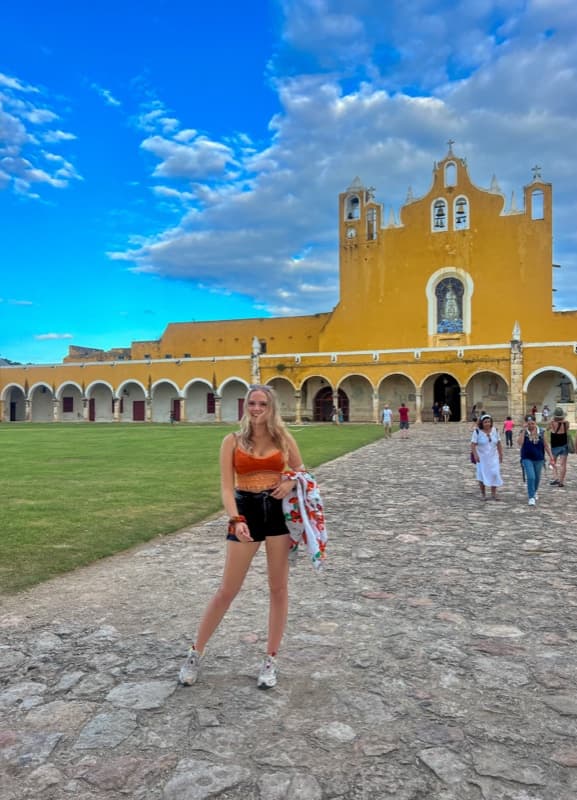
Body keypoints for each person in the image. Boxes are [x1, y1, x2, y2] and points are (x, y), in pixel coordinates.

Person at [178, 385, 305, 690]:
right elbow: (225, 487)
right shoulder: (232, 441)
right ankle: (196, 652)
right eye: (252, 403)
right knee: (227, 589)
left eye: (262, 403)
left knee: (278, 588)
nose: (256, 408)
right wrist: (235, 519)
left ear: (271, 407)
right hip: (245, 509)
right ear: (245, 406)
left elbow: (301, 471)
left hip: (277, 513)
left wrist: (290, 482)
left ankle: (270, 658)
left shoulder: (283, 439)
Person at [518, 414, 554, 505]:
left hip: (539, 458)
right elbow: (520, 443)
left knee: (537, 478)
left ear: (535, 422)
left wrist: (551, 456)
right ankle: (531, 497)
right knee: (531, 477)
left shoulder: (541, 431)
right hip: (526, 457)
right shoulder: (524, 432)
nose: (530, 425)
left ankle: (534, 491)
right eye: (529, 424)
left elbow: (545, 445)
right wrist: (523, 430)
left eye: (532, 423)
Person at [471, 413, 503, 500]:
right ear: (482, 423)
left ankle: (494, 493)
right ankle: (483, 494)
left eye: (489, 422)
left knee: (495, 474)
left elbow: (499, 443)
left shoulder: (495, 430)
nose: (487, 423)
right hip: (482, 458)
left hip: (493, 457)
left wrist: (500, 454)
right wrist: (475, 455)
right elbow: (473, 444)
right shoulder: (477, 432)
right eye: (485, 422)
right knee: (481, 475)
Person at [547, 406, 570, 488]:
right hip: (564, 444)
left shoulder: (552, 423)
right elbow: (567, 430)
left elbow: (547, 429)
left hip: (555, 445)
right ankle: (561, 481)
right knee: (563, 464)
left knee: (553, 462)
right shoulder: (566, 423)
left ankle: (556, 478)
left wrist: (551, 422)